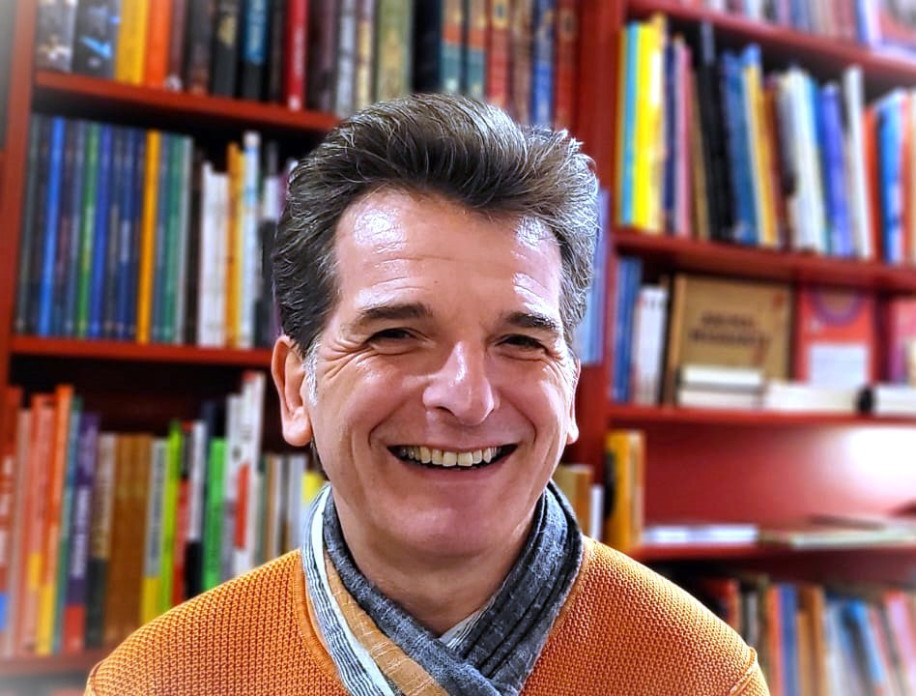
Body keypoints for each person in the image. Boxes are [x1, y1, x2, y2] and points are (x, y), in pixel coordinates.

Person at [86, 94, 769, 696]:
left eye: (521, 341)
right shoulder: (154, 681)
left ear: (568, 392)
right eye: (395, 335)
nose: (467, 399)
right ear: (296, 389)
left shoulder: (705, 677)